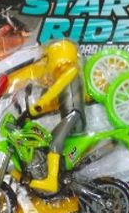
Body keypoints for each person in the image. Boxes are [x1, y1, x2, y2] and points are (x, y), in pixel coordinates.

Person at [26, 40, 86, 194]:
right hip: (70, 115)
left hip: (74, 114)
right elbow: (55, 95)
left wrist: (40, 103)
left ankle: (51, 181)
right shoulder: (66, 74)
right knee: (51, 141)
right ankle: (57, 174)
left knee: (54, 142)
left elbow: (56, 88)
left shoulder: (71, 71)